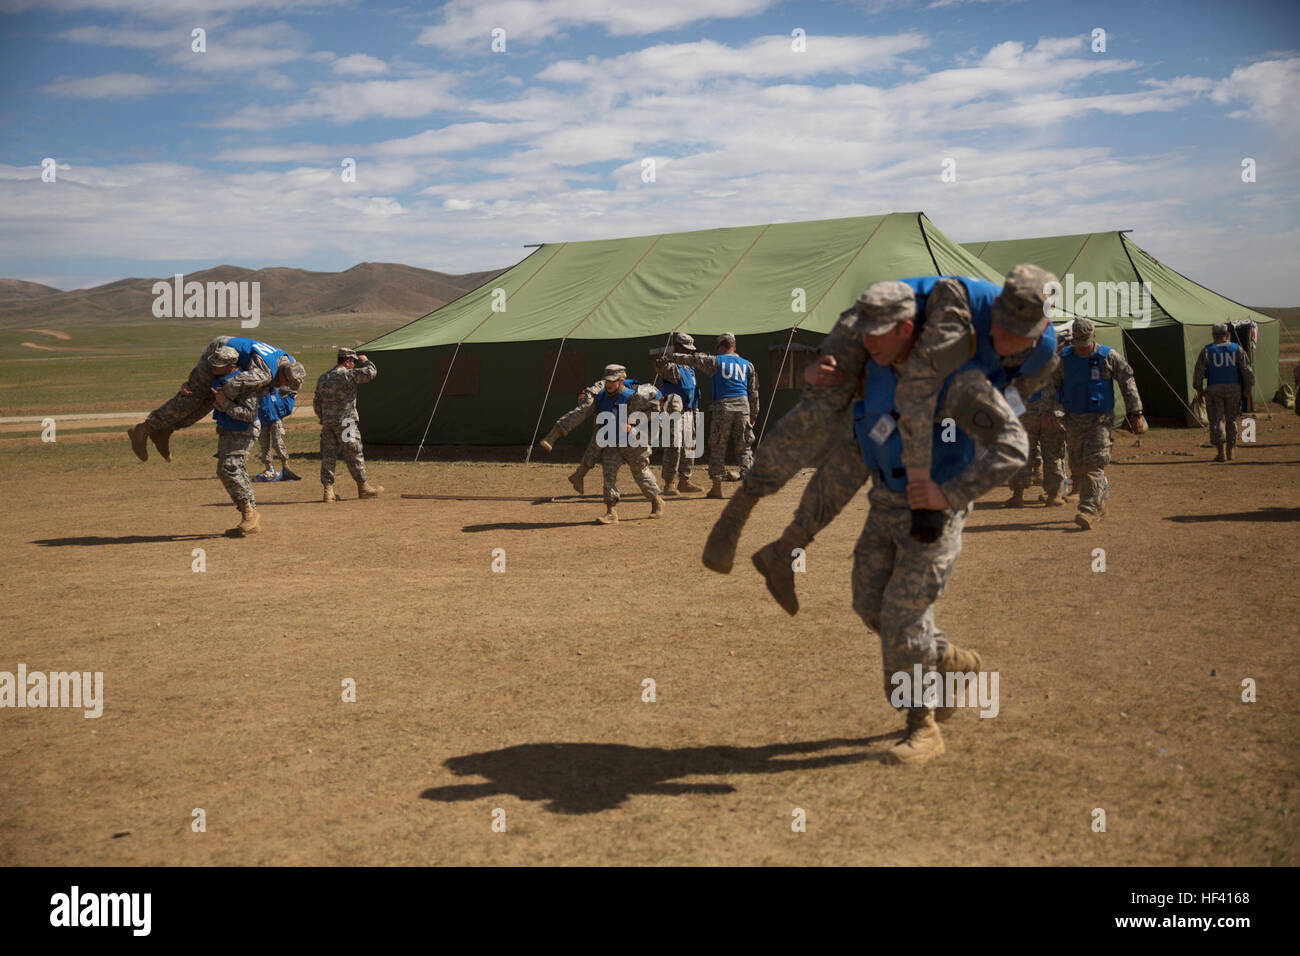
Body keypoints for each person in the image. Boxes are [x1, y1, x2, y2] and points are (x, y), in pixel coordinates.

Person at [763, 292, 1028, 764]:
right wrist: (798, 533)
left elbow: (1011, 445)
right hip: (884, 504)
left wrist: (952, 493)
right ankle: (951, 661)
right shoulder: (875, 377)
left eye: (876, 331)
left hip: (935, 515)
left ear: (906, 329)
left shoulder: (957, 381)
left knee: (903, 620)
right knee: (870, 607)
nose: (865, 341)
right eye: (861, 331)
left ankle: (921, 725)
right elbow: (853, 455)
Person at [703, 265, 1059, 574]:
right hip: (876, 320)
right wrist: (836, 369)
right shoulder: (953, 310)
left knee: (898, 442)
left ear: (1041, 328)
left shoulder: (1043, 356)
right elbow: (915, 394)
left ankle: (787, 550)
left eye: (1016, 335)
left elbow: (1010, 404)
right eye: (1000, 326)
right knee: (820, 411)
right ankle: (737, 511)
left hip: (932, 379)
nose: (1002, 337)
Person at [1048, 318, 1146, 530]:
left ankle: (1088, 509)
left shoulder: (1107, 356)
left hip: (1100, 420)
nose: (1082, 348)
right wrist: (1047, 411)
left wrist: (1136, 412)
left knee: (1094, 463)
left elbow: (1127, 380)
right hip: (1072, 420)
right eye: (1078, 343)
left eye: (1086, 343)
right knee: (1078, 466)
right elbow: (1051, 385)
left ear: (1093, 337)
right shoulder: (1063, 358)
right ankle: (1100, 503)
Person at [127, 335, 291, 463]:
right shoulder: (266, 371)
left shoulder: (288, 362)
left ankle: (164, 431)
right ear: (282, 374)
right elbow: (241, 382)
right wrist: (219, 391)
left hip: (231, 360)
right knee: (193, 396)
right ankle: (144, 428)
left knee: (209, 402)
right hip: (220, 351)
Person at [661, 333, 759, 498]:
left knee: (718, 447)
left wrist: (670, 356)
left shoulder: (715, 361)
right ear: (734, 346)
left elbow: (691, 360)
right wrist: (753, 414)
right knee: (744, 448)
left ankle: (716, 488)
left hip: (723, 408)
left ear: (721, 346)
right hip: (743, 408)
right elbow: (754, 393)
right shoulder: (748, 365)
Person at [204, 346, 267, 536]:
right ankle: (250, 518)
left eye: (218, 364)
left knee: (228, 468)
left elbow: (249, 414)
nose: (213, 367)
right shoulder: (220, 380)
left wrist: (224, 403)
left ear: (231, 366)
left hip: (244, 430)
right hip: (228, 430)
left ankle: (249, 512)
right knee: (237, 470)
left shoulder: (244, 383)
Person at [314, 349, 382, 502]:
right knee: (353, 453)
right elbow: (371, 373)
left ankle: (328, 491)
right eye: (353, 362)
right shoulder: (346, 374)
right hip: (346, 422)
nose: (354, 365)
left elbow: (316, 401)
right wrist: (364, 361)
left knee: (328, 456)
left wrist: (323, 418)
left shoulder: (323, 378)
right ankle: (363, 487)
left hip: (328, 423)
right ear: (347, 361)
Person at [651, 332, 705, 496]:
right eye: (686, 349)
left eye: (691, 350)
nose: (689, 353)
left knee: (690, 446)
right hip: (674, 412)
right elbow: (659, 366)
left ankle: (684, 480)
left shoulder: (689, 367)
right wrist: (669, 357)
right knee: (674, 446)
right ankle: (669, 483)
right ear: (678, 347)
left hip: (690, 410)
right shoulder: (671, 365)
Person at [1193, 322, 1254, 461]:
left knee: (1217, 420)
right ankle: (1230, 451)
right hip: (1234, 388)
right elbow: (1247, 369)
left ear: (1213, 335)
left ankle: (1221, 453)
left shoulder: (1208, 350)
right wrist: (1248, 387)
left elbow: (1199, 372)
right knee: (1231, 419)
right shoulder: (1237, 349)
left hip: (1214, 388)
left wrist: (1199, 389)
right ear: (1227, 334)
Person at [254, 381, 302, 482]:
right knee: (264, 445)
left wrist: (290, 391)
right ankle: (268, 468)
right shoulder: (253, 386)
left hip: (275, 417)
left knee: (277, 442)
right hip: (261, 419)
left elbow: (288, 389)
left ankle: (286, 467)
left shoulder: (273, 383)